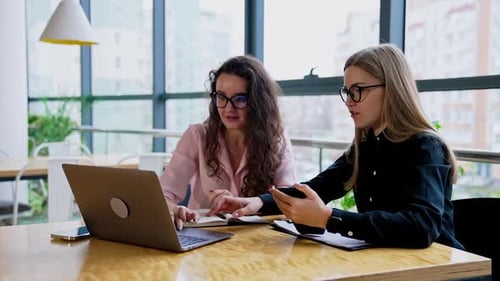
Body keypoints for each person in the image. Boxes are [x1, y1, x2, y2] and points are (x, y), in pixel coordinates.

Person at [208, 44, 464, 250]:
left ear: (393, 89)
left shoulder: (424, 146)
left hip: (437, 270)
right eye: (347, 91)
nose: (349, 102)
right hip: (390, 263)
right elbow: (319, 187)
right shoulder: (365, 146)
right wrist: (257, 203)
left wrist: (329, 218)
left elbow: (421, 227)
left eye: (358, 91)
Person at [160, 55, 296, 229]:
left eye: (240, 99)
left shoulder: (276, 136)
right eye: (221, 97)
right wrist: (174, 209)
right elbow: (163, 193)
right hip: (204, 237)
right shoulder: (197, 136)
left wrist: (246, 204)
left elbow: (288, 197)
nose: (228, 108)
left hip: (256, 238)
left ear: (258, 102)